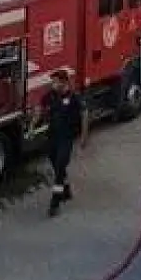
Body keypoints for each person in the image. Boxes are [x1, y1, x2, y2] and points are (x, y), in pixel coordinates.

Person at [28, 70, 88, 217]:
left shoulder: (74, 97)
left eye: (55, 82)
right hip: (52, 136)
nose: (53, 84)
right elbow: (39, 109)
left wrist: (84, 137)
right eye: (52, 82)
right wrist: (32, 126)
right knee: (56, 164)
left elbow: (84, 114)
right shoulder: (51, 95)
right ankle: (66, 189)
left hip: (66, 138)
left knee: (60, 167)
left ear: (64, 82)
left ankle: (55, 203)